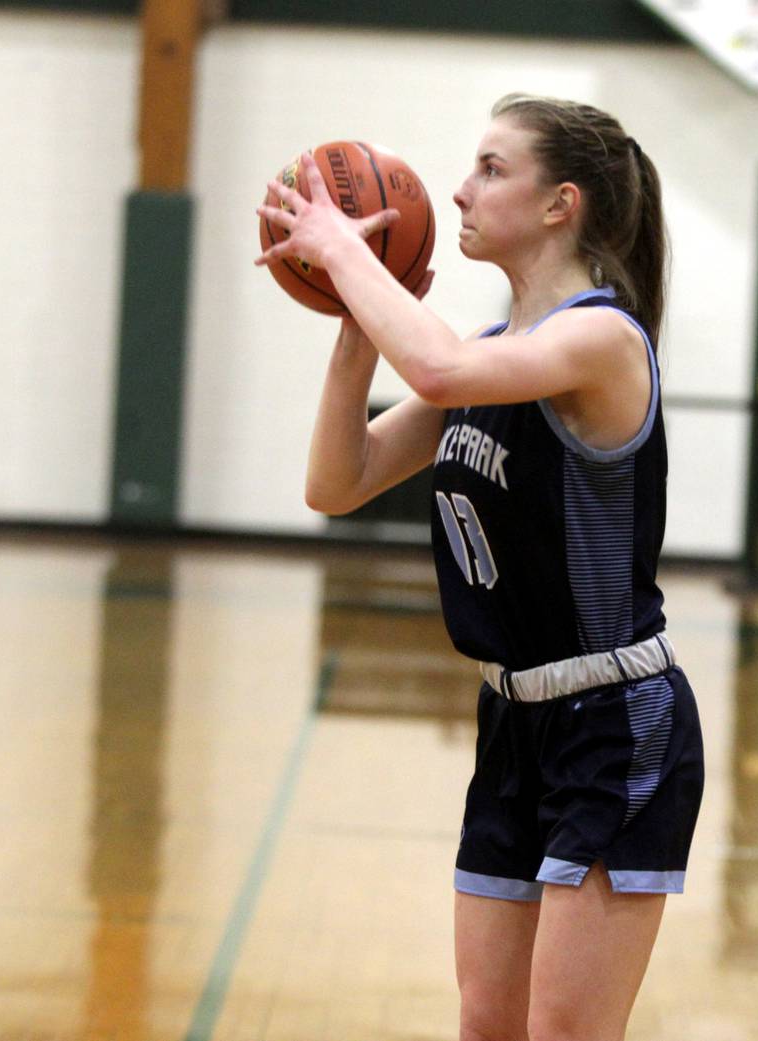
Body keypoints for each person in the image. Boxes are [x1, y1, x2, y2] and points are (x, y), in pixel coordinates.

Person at [255, 93, 704, 1041]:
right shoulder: (492, 354)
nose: (459, 189)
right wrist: (353, 320)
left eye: (492, 169)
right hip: (514, 719)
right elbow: (338, 482)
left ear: (560, 205)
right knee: (488, 1025)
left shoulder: (601, 340)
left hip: (614, 724)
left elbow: (440, 375)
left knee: (566, 1033)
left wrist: (339, 244)